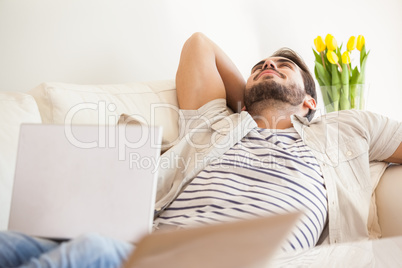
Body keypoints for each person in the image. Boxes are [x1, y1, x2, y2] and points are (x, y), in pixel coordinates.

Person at [1, 32, 401, 267]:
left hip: (231, 260)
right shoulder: (218, 124)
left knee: (90, 250)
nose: (267, 65)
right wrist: (243, 101)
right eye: (259, 64)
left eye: (283, 65)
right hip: (150, 247)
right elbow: (199, 44)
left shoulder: (347, 128)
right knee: (12, 243)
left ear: (311, 102)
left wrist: (258, 84)